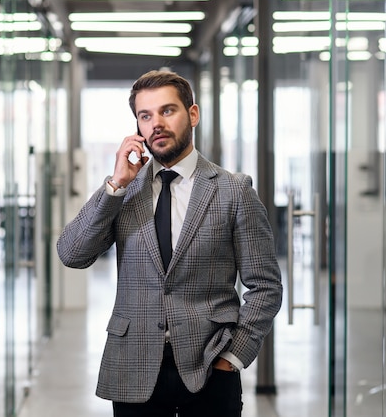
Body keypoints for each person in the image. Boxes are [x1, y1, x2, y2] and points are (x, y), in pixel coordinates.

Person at [56, 70, 283, 417]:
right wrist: (114, 185)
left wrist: (233, 355)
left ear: (192, 114)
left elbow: (265, 285)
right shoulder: (124, 190)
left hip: (210, 369)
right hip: (134, 369)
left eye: (167, 111)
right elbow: (72, 253)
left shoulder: (233, 191)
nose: (155, 124)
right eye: (145, 116)